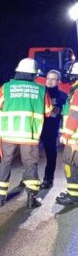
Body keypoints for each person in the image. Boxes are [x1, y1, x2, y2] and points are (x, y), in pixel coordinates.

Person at [0, 58, 52, 209]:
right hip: (30, 136)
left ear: (18, 71)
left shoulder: (7, 87)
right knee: (30, 164)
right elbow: (48, 112)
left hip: (8, 134)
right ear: (33, 74)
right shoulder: (41, 90)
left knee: (6, 162)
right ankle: (31, 198)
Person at [39, 70, 67, 189]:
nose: (49, 81)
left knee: (51, 156)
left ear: (58, 81)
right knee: (31, 155)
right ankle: (28, 178)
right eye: (48, 78)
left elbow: (65, 114)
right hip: (36, 129)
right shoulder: (40, 92)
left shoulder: (62, 96)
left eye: (53, 79)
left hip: (51, 130)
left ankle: (48, 179)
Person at [56, 62, 78, 205]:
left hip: (74, 138)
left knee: (69, 165)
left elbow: (75, 114)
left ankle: (73, 195)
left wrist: (66, 134)